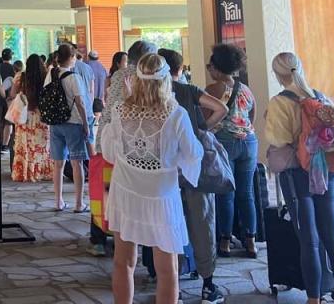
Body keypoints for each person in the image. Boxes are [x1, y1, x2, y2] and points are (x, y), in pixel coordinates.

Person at [99, 53, 202, 304]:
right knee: (167, 270)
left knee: (123, 262)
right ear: (166, 80)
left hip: (125, 191)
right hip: (162, 195)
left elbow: (109, 152)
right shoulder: (175, 114)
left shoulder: (120, 110)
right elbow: (194, 153)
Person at [266, 52, 334, 304]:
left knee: (309, 241)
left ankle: (313, 299)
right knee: (332, 237)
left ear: (278, 74)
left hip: (298, 174)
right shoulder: (320, 97)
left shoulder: (280, 103)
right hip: (327, 171)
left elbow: (278, 139)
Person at [157, 49, 229, 304]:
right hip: (194, 166)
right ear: (179, 68)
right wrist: (201, 129)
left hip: (165, 169)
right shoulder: (189, 91)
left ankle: (171, 283)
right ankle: (208, 284)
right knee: (202, 221)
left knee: (170, 223)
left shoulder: (156, 94)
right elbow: (220, 108)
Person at [205, 43, 258, 258]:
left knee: (226, 192)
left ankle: (225, 240)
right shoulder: (246, 89)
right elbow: (252, 116)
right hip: (249, 142)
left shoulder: (212, 90)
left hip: (224, 144)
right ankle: (251, 240)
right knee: (247, 193)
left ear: (217, 67)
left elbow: (205, 119)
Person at [46, 43, 90, 212]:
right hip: (73, 123)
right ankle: (79, 203)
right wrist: (86, 124)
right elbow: (80, 103)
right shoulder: (73, 77)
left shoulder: (50, 75)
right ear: (71, 58)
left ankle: (58, 201)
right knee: (77, 163)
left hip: (55, 123)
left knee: (58, 164)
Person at [10, 54, 53, 182]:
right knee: (42, 145)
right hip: (41, 116)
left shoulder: (20, 76)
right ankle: (43, 171)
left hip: (25, 115)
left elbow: (12, 94)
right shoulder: (47, 76)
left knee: (25, 145)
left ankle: (25, 172)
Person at [101, 41, 156, 127]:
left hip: (107, 126)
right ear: (148, 59)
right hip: (126, 127)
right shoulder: (145, 76)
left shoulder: (118, 74)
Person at [72, 44, 98, 156]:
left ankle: (80, 169)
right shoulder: (88, 68)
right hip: (88, 108)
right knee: (90, 139)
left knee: (75, 145)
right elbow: (92, 90)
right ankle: (93, 167)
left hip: (75, 110)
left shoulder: (71, 69)